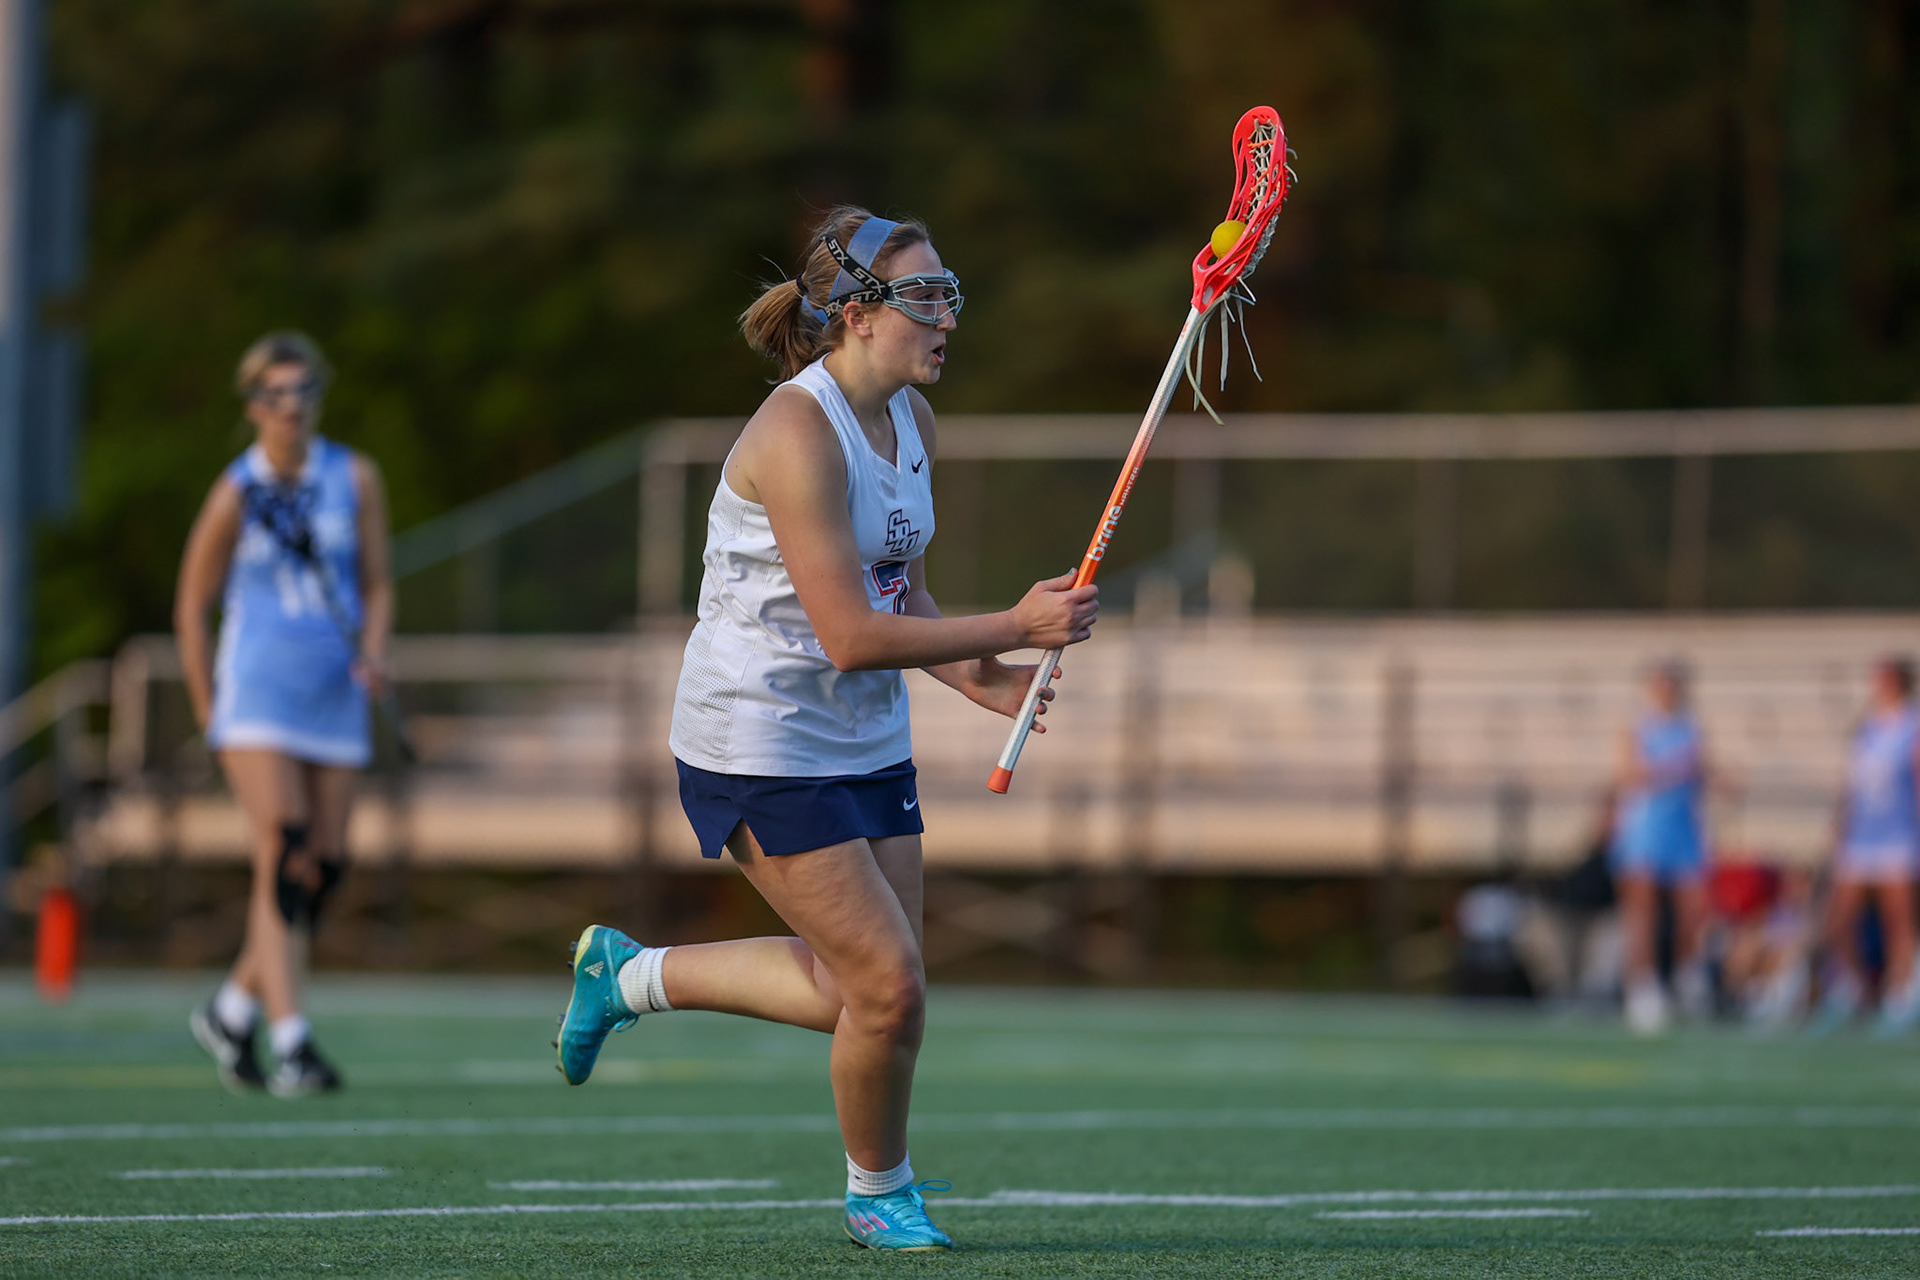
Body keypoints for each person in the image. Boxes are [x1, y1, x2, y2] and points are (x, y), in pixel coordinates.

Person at [554, 207, 1098, 1251]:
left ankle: (625, 976)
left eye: (952, 294)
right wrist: (1021, 619)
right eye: (925, 298)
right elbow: (849, 635)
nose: (948, 318)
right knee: (886, 988)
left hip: (861, 737)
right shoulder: (795, 433)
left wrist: (985, 674)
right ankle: (875, 1191)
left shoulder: (912, 423)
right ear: (856, 314)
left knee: (860, 985)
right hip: (756, 739)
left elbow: (905, 595)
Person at [175, 332, 395, 1096]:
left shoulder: (354, 476)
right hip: (257, 693)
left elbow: (377, 584)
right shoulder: (235, 490)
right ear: (253, 405)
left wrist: (373, 650)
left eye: (302, 392)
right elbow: (191, 605)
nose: (290, 408)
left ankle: (233, 1006)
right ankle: (292, 1038)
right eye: (275, 395)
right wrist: (211, 710)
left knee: (323, 864)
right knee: (284, 841)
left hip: (333, 692)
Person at [1812, 656, 1920, 1034]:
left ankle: (1901, 997)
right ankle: (1853, 989)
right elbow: (1853, 785)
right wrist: (1839, 826)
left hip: (1900, 835)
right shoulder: (1867, 729)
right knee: (1837, 920)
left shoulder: (1912, 725)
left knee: (1898, 920)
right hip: (1862, 837)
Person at [1611, 660, 1712, 1033]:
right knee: (1643, 915)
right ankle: (1642, 987)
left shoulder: (1691, 729)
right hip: (1645, 831)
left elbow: (1701, 776)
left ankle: (1688, 979)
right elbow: (1630, 775)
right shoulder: (1636, 726)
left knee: (1693, 912)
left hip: (1683, 831)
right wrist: (1672, 771)